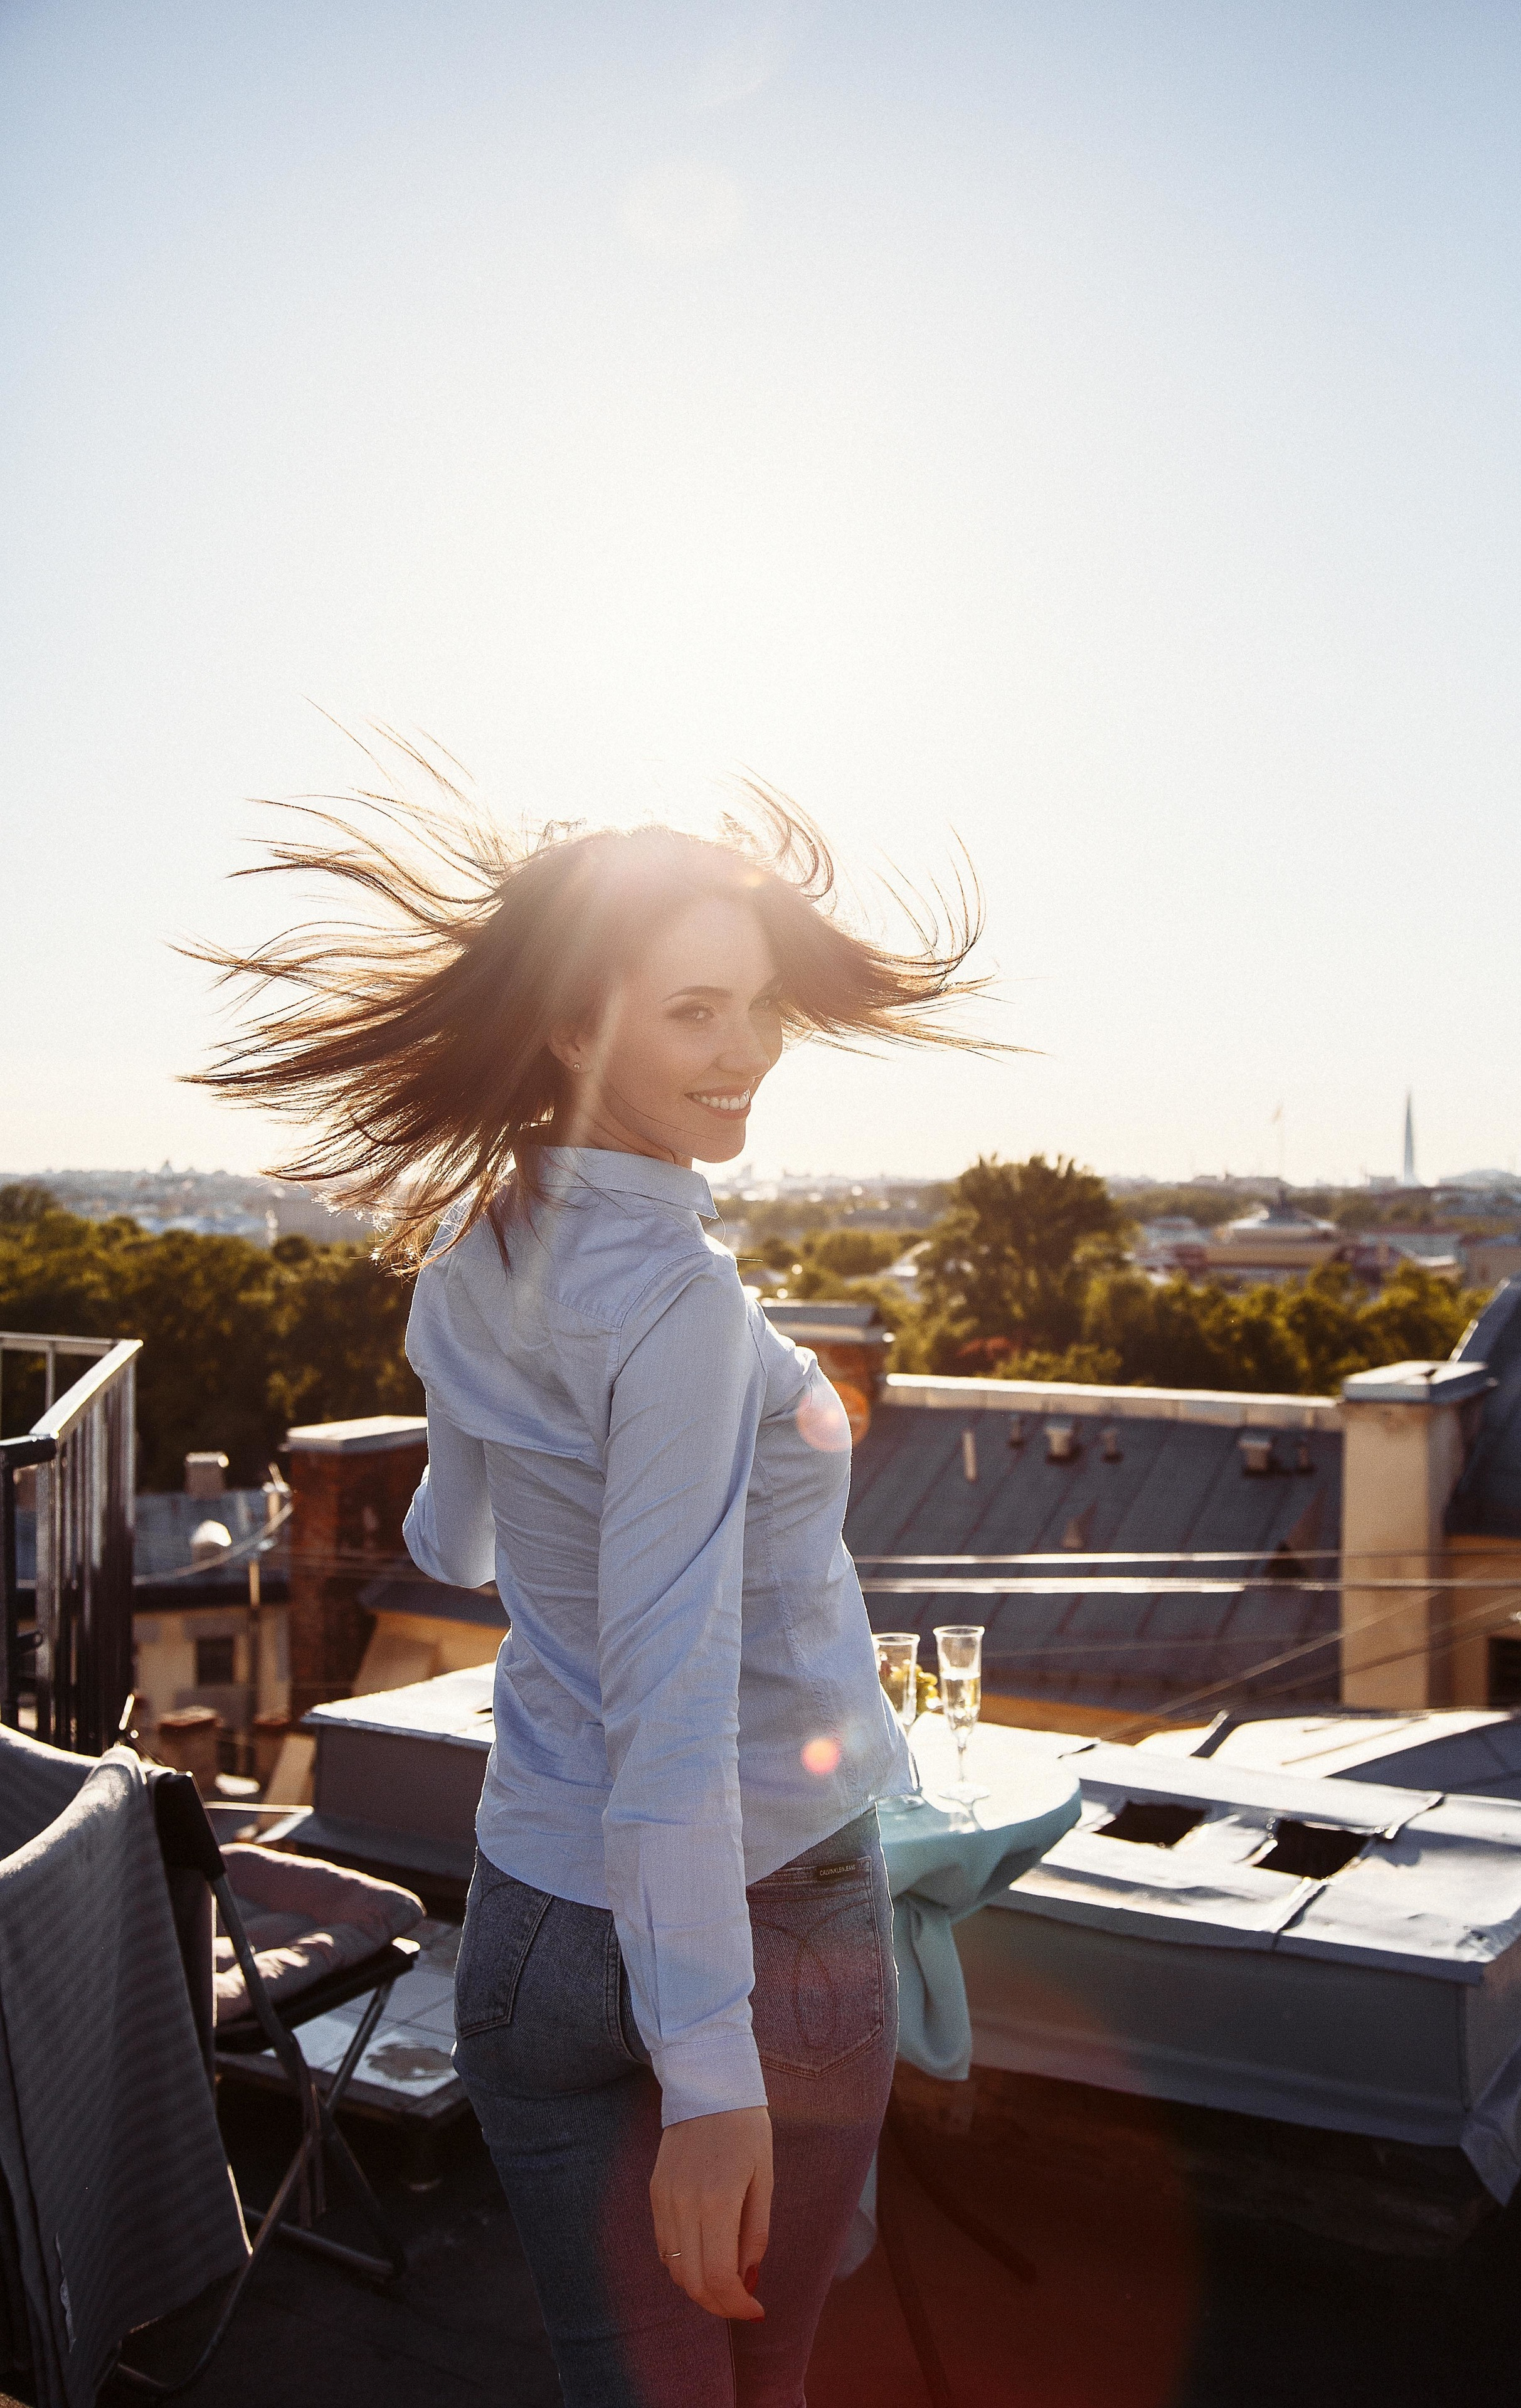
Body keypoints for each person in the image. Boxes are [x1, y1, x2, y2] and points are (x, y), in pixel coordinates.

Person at [191, 764, 987, 2404]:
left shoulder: (469, 1253)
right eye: (697, 1011)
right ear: (567, 1028)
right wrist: (710, 2084)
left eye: (760, 1009)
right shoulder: (687, 1310)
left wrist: (543, 1451)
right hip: (759, 1929)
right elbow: (676, 1710)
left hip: (535, 1929)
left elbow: (455, 1549)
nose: (751, 1052)